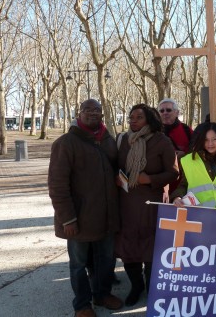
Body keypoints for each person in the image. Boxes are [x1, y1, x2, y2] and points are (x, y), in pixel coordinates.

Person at [48, 99, 122, 317]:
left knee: (106, 260)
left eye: (97, 110)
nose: (93, 113)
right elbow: (57, 185)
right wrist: (67, 219)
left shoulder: (108, 141)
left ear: (102, 114)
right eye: (87, 110)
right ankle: (82, 304)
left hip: (107, 216)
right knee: (79, 264)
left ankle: (102, 293)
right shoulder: (66, 143)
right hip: (79, 218)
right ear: (78, 113)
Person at [115, 104, 179, 306]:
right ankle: (136, 286)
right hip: (127, 203)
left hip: (152, 203)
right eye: (131, 116)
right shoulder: (123, 140)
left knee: (151, 248)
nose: (133, 120)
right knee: (129, 248)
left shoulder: (162, 141)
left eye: (138, 117)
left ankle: (152, 286)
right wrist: (118, 178)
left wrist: (149, 179)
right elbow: (115, 166)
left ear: (149, 119)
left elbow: (173, 173)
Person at [172, 122, 216, 209]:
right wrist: (177, 197)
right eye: (206, 140)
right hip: (198, 216)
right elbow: (183, 186)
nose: (210, 144)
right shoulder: (189, 161)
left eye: (214, 139)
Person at [158, 98, 193, 194]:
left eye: (168, 110)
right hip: (160, 183)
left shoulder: (187, 131)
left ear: (177, 112)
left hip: (182, 183)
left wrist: (184, 155)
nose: (165, 113)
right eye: (162, 111)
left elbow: (197, 154)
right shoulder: (153, 132)